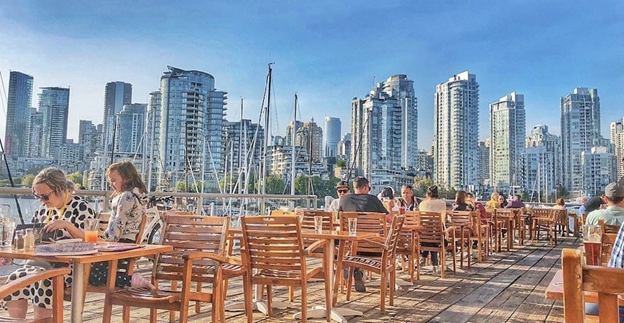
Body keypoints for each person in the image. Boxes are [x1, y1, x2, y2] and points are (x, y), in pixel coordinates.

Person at [3, 168, 96, 320]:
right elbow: (32, 239)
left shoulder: (81, 207)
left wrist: (67, 226)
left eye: (45, 196)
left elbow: (92, 241)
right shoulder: (42, 210)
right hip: (39, 262)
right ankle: (17, 321)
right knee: (16, 277)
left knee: (43, 280)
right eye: (37, 196)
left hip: (68, 267)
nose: (42, 201)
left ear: (60, 189)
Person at [89, 161, 151, 288]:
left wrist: (104, 241)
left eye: (114, 180)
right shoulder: (137, 196)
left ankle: (132, 280)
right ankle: (130, 280)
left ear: (127, 178)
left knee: (92, 275)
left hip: (121, 244)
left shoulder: (126, 197)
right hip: (128, 243)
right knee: (91, 271)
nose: (112, 184)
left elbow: (118, 223)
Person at [338, 176, 389, 292]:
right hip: (373, 247)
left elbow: (338, 221)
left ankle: (355, 268)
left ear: (354, 188)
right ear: (366, 187)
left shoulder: (344, 200)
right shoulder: (373, 200)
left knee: (353, 247)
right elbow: (389, 219)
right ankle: (357, 270)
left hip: (350, 247)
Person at [418, 185, 448, 273]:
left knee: (430, 234)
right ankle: (435, 264)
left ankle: (424, 256)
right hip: (438, 237)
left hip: (424, 237)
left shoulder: (422, 204)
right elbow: (443, 218)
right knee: (434, 235)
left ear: (427, 194)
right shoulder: (442, 203)